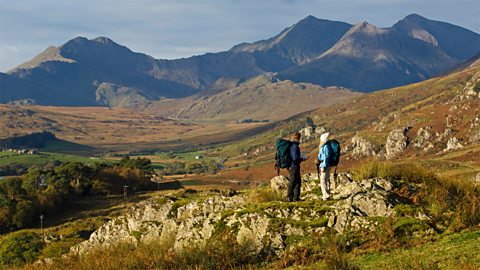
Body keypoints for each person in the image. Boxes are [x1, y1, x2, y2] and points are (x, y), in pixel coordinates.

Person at [287, 132, 307, 202]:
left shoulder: (291, 145)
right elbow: (295, 158)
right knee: (293, 181)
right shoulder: (295, 146)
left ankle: (296, 197)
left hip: (292, 166)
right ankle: (290, 197)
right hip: (294, 166)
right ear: (298, 138)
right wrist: (302, 159)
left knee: (297, 181)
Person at [316, 132, 331, 200]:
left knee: (323, 181)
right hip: (327, 165)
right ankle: (327, 194)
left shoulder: (324, 147)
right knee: (326, 180)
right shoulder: (327, 146)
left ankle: (325, 195)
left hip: (324, 165)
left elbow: (325, 157)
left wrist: (323, 166)